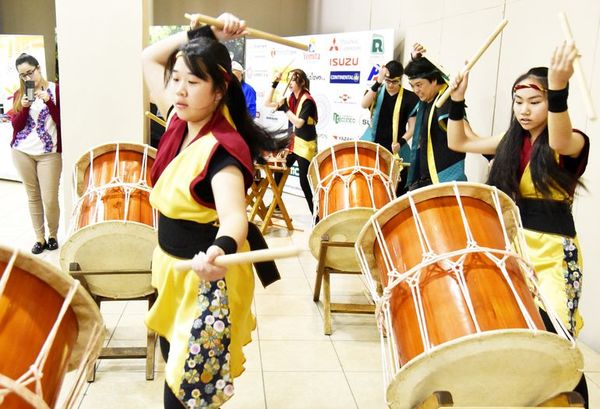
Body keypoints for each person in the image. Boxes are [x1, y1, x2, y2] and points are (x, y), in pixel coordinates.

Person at [142, 13, 282, 409]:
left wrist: (219, 251)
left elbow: (236, 217)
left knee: (188, 393)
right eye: (177, 79)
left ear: (219, 91)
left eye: (193, 81)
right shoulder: (177, 119)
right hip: (171, 271)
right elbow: (149, 58)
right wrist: (206, 33)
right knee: (177, 367)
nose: (180, 90)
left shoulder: (223, 151)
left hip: (205, 279)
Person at [447, 42, 589, 406]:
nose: (524, 110)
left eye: (534, 101)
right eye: (518, 101)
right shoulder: (511, 142)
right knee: (513, 331)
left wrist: (558, 90)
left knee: (557, 338)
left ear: (551, 101)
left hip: (554, 254)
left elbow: (558, 136)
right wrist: (457, 101)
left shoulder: (571, 142)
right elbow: (459, 140)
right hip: (511, 248)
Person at [10, 53, 61, 254]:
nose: (27, 78)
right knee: (33, 196)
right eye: (22, 75)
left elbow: (62, 121)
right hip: (22, 151)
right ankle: (39, 238)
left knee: (50, 198)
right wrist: (23, 108)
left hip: (49, 153)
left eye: (30, 72)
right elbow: (16, 126)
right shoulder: (20, 94)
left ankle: (53, 235)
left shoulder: (56, 90)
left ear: (38, 68)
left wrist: (49, 101)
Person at [403, 44, 467, 190]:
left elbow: (467, 134)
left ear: (433, 80)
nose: (415, 90)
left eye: (419, 85)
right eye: (412, 86)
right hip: (426, 178)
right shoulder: (427, 99)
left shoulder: (446, 101)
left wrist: (492, 156)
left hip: (446, 180)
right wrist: (414, 60)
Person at [361, 60, 419, 195]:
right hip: (373, 144)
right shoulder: (377, 91)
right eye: (388, 81)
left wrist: (402, 142)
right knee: (371, 186)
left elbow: (412, 127)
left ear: (401, 79)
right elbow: (364, 104)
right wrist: (378, 81)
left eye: (395, 81)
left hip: (396, 147)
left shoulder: (410, 98)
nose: (391, 85)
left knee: (399, 188)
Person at [264, 68, 318, 213]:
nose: (290, 83)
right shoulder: (291, 98)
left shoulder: (308, 101)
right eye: (289, 80)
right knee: (278, 170)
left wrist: (286, 108)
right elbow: (267, 102)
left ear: (302, 82)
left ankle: (316, 215)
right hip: (292, 144)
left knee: (304, 182)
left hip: (305, 144)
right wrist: (274, 83)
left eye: (293, 80)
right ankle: (276, 204)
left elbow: (299, 123)